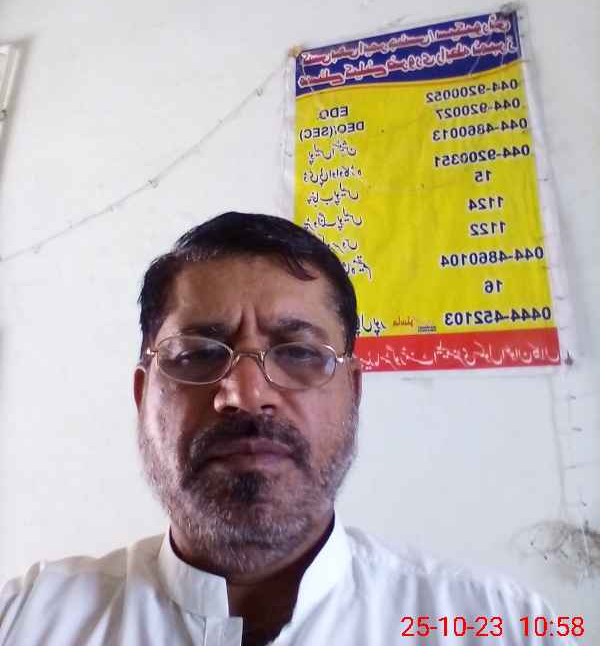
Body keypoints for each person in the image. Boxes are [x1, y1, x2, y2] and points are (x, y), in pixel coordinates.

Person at [0, 212, 576, 645]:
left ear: (353, 392)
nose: (247, 394)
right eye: (197, 354)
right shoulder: (28, 620)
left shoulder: (499, 626)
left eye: (299, 353)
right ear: (142, 394)